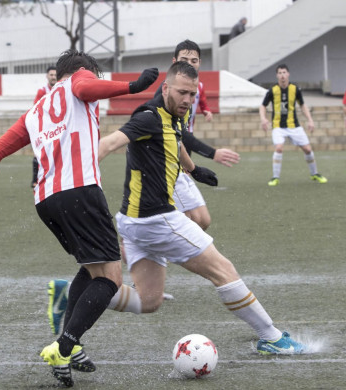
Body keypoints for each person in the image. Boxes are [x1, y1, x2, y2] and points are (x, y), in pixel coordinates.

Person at [51, 63, 309, 370]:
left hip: (134, 224)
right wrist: (72, 175)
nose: (187, 99)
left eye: (191, 93)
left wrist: (195, 169)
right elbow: (108, 143)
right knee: (223, 270)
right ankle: (271, 338)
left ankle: (75, 296)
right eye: (182, 92)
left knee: (149, 300)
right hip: (156, 220)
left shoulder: (174, 118)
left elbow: (177, 141)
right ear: (165, 89)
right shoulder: (147, 117)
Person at [0, 49, 159, 388]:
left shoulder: (35, 111)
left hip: (45, 200)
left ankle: (70, 346)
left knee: (91, 268)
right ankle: (64, 346)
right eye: (92, 73)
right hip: (80, 191)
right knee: (111, 279)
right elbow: (86, 89)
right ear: (81, 70)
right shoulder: (80, 78)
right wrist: (132, 86)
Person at [155, 39, 239, 230]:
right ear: (174, 61)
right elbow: (179, 134)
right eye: (184, 60)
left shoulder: (192, 90)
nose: (188, 64)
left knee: (201, 220)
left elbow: (178, 137)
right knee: (188, 222)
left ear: (199, 63)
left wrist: (192, 168)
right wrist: (212, 153)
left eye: (194, 61)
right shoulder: (167, 93)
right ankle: (139, 246)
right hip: (159, 166)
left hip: (175, 160)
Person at [259, 64, 327, 186]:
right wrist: (263, 119)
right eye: (279, 73)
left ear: (288, 74)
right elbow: (263, 105)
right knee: (279, 147)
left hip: (294, 125)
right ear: (277, 76)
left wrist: (310, 120)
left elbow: (302, 105)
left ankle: (314, 173)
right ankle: (275, 177)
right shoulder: (272, 90)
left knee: (307, 149)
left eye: (284, 72)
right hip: (278, 126)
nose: (282, 75)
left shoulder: (295, 89)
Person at [31, 66, 58, 188]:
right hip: (45, 127)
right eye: (51, 75)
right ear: (47, 76)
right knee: (41, 153)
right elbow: (36, 108)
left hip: (58, 126)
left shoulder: (61, 89)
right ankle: (36, 180)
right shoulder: (42, 91)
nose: (53, 77)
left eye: (55, 75)